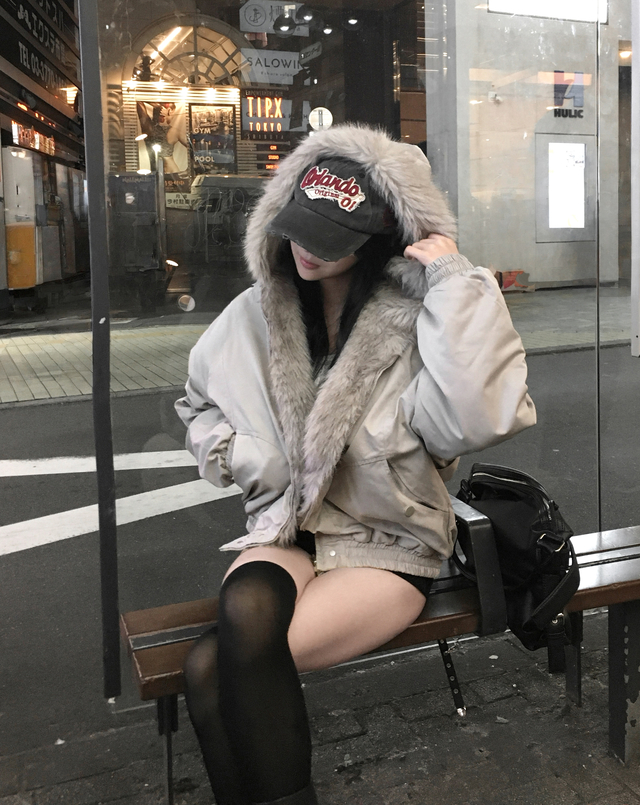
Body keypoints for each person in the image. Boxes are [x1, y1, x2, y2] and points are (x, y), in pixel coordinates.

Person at [174, 124, 536, 805]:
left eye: (332, 237)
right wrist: (239, 454)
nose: (307, 248)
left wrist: (455, 281)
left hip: (389, 541)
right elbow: (198, 404)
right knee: (234, 628)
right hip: (288, 531)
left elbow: (480, 413)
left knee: (217, 665)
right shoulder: (257, 313)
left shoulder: (423, 319)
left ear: (380, 235)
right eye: (300, 226)